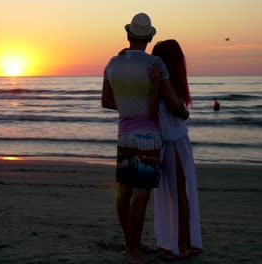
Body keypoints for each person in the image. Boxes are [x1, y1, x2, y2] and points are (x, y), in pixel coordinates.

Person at [102, 13, 189, 264]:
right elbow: (171, 101)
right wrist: (184, 111)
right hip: (149, 136)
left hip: (124, 134)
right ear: (150, 37)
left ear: (128, 35)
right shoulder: (156, 65)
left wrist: (129, 108)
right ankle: (133, 252)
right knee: (142, 192)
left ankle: (132, 244)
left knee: (124, 191)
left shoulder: (112, 63)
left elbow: (106, 102)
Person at [150, 39, 203, 261]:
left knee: (179, 193)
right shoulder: (161, 82)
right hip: (166, 141)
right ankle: (174, 241)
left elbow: (176, 108)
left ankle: (182, 244)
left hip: (175, 142)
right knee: (170, 194)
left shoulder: (166, 83)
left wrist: (158, 84)